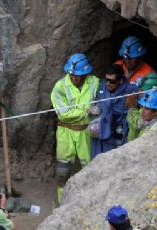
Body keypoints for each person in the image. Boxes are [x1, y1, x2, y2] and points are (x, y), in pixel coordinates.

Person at [50, 53, 99, 202]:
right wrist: (85, 111)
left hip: (86, 132)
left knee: (90, 166)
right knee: (62, 171)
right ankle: (62, 201)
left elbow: (100, 103)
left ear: (86, 73)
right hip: (66, 131)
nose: (74, 78)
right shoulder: (60, 87)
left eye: (78, 75)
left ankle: (92, 198)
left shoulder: (94, 82)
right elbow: (63, 114)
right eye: (71, 75)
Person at [90, 65, 139, 158]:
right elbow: (97, 101)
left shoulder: (131, 90)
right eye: (106, 80)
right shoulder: (101, 87)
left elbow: (136, 109)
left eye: (112, 81)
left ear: (120, 81)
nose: (108, 83)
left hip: (119, 130)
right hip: (101, 129)